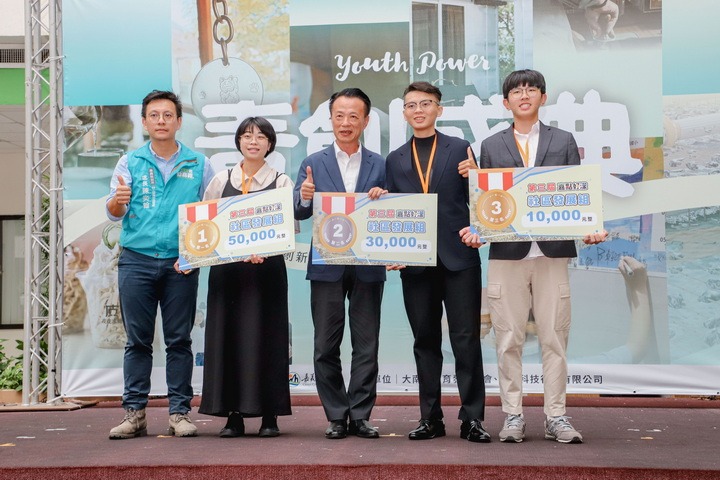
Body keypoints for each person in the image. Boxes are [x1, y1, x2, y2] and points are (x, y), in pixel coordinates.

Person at [477, 69, 607, 444]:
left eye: (531, 89)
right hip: (507, 254)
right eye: (516, 91)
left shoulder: (563, 140)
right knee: (508, 338)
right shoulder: (491, 145)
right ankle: (513, 415)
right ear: (506, 102)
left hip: (552, 252)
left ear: (542, 97)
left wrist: (590, 226)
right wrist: (479, 228)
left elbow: (576, 194)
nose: (524, 95)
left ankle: (556, 416)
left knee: (554, 337)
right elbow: (487, 200)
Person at [378, 81, 490, 443]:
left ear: (439, 109)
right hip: (415, 263)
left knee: (466, 339)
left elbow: (482, 199)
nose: (418, 110)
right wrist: (380, 200)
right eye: (411, 105)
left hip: (459, 258)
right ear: (404, 112)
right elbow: (393, 211)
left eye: (426, 103)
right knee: (424, 341)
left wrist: (476, 177)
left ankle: (472, 419)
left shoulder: (459, 148)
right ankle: (430, 418)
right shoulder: (394, 159)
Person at [106, 90, 215, 439]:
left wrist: (195, 255)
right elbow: (114, 212)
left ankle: (179, 413)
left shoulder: (199, 164)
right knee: (137, 341)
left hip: (181, 264)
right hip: (136, 261)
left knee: (179, 340)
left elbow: (212, 214)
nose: (161, 121)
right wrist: (118, 201)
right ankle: (134, 413)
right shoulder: (130, 162)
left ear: (179, 122)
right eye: (154, 115)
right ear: (144, 122)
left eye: (168, 115)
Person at [293, 88, 386, 440]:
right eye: (339, 116)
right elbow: (299, 210)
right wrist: (304, 197)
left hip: (367, 265)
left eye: (353, 116)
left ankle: (360, 415)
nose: (346, 123)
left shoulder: (380, 163)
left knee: (367, 345)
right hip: (326, 264)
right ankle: (336, 415)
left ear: (366, 120)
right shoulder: (313, 162)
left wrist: (383, 197)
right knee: (325, 346)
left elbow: (391, 210)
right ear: (330, 119)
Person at [198, 117, 293, 437]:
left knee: (268, 338)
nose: (254, 141)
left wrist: (263, 248)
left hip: (266, 272)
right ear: (238, 141)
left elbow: (288, 229)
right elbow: (204, 225)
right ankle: (233, 415)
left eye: (261, 136)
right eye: (247, 135)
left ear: (270, 144)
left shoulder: (281, 181)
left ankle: (270, 415)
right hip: (228, 273)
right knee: (228, 338)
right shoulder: (220, 180)